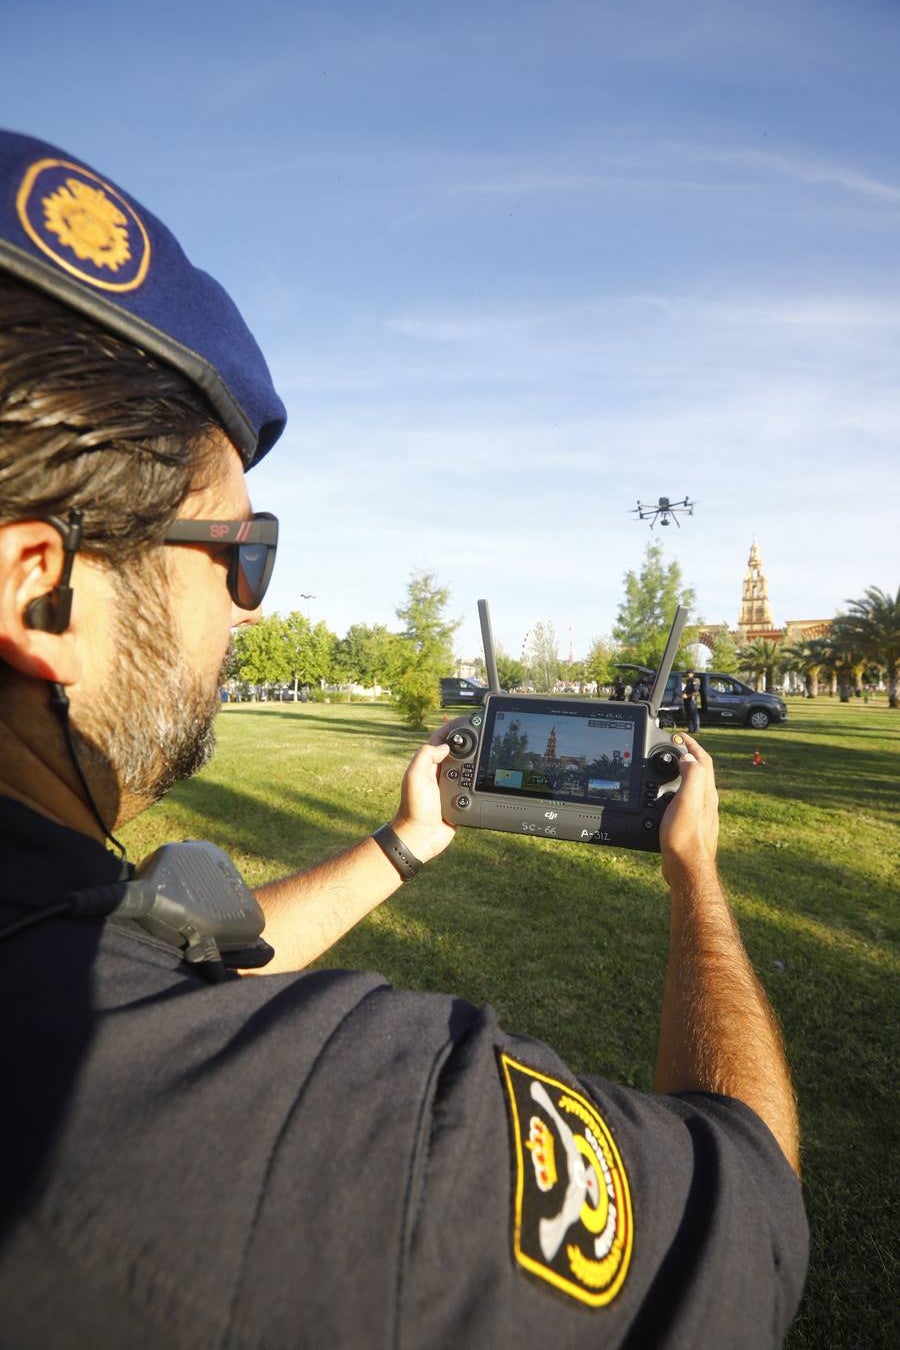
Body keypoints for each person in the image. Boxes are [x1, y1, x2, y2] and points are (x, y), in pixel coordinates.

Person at [0, 130, 807, 1348]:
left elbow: (156, 967)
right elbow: (749, 1201)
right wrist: (697, 878)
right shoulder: (358, 1139)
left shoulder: (49, 929)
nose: (250, 606)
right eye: (242, 552)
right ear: (36, 590)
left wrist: (400, 845)